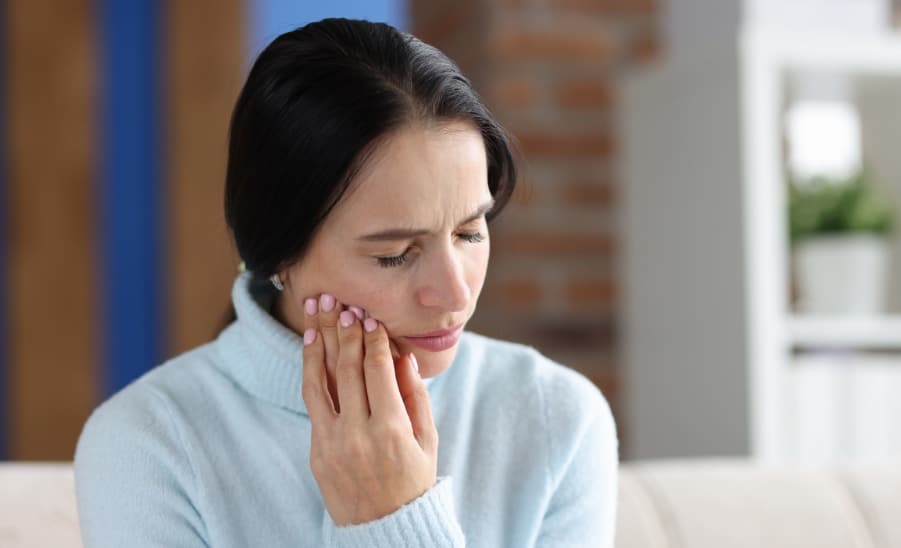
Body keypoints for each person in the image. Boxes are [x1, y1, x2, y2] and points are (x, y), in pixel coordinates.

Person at [74, 18, 618, 547]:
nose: (454, 295)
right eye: (394, 255)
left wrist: (392, 518)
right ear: (278, 254)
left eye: (470, 233)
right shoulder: (146, 443)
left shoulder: (555, 417)